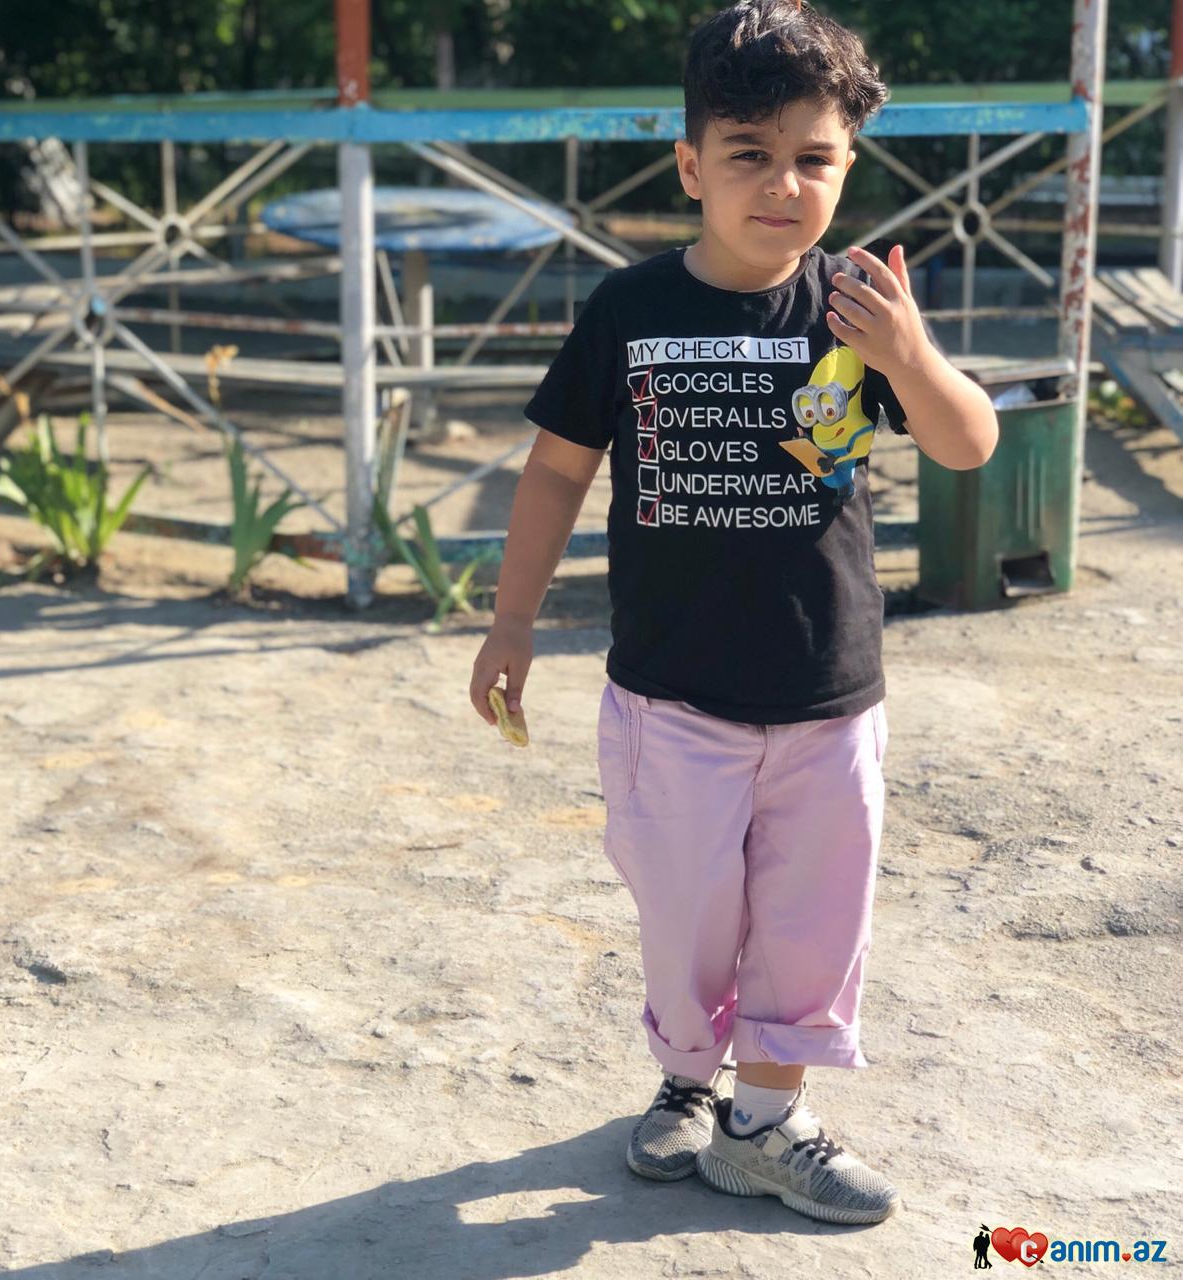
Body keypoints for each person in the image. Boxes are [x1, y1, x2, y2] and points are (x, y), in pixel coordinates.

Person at [469, 0, 998, 1227]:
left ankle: (763, 1120)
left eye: (813, 157)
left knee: (810, 922)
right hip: (669, 698)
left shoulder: (858, 308)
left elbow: (967, 442)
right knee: (684, 916)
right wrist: (509, 623)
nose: (782, 184)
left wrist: (910, 355)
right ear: (690, 164)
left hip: (826, 697)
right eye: (748, 153)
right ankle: (685, 1077)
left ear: (847, 166)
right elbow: (554, 471)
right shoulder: (629, 308)